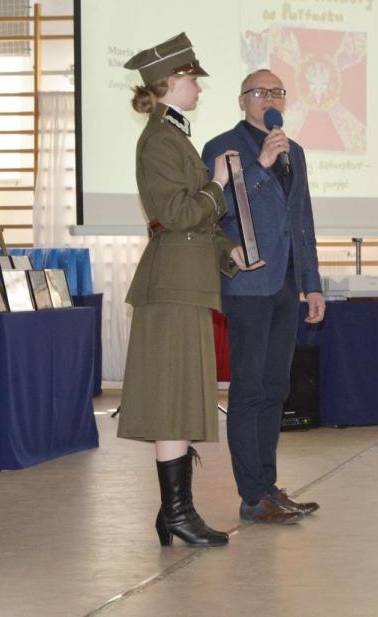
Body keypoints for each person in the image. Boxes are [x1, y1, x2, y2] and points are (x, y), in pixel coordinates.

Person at [118, 32, 263, 547]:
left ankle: (175, 512)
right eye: (192, 79)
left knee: (179, 401)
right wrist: (218, 183)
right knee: (172, 402)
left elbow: (194, 225)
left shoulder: (174, 136)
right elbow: (178, 214)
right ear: (170, 81)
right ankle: (178, 513)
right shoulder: (161, 139)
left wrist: (228, 251)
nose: (199, 88)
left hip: (187, 284)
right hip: (172, 288)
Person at [202, 69, 324, 526]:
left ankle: (269, 488)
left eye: (277, 92)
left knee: (276, 389)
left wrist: (312, 283)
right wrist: (262, 165)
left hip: (286, 285)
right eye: (260, 92)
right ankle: (251, 495)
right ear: (242, 100)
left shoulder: (296, 152)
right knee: (250, 389)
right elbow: (218, 211)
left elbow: (302, 219)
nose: (269, 99)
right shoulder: (223, 148)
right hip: (248, 284)